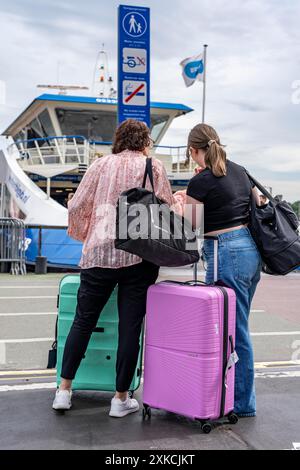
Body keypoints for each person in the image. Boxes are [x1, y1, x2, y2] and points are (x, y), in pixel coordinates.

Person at [52, 119, 178, 417]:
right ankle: (121, 399)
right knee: (129, 328)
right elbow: (167, 209)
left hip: (99, 254)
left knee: (82, 321)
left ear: (119, 139)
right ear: (145, 141)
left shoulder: (99, 165)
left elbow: (78, 205)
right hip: (139, 255)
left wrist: (88, 235)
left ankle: (64, 390)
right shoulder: (153, 167)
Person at [185, 123, 262, 418]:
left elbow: (190, 226)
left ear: (193, 150)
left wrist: (182, 202)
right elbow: (257, 204)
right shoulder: (241, 171)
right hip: (250, 251)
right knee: (235, 326)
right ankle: (232, 397)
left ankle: (242, 403)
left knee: (232, 330)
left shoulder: (201, 182)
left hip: (224, 250)